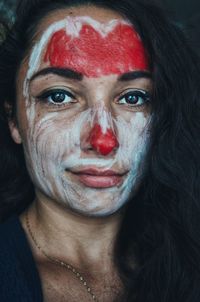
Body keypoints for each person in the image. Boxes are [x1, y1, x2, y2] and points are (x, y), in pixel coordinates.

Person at [0, 0, 200, 301]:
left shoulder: (188, 260)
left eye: (133, 98)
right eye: (59, 96)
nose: (103, 140)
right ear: (14, 120)